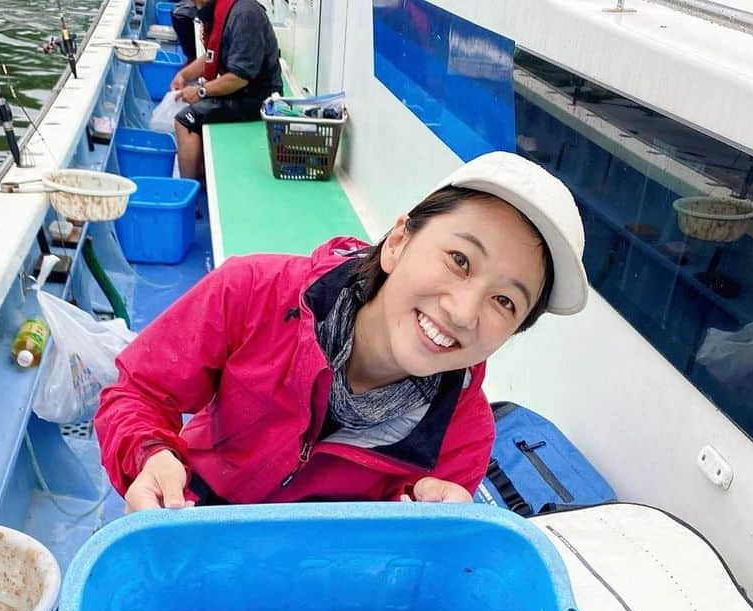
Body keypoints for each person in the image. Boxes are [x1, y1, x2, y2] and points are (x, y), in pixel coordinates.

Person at [95, 151, 590, 511]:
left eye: (504, 301)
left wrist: (421, 531)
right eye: (459, 259)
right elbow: (138, 391)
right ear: (398, 242)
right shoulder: (253, 291)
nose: (463, 312)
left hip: (316, 579)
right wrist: (149, 455)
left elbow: (403, 571)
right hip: (193, 513)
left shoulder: (463, 434)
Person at [170, 0, 283, 180]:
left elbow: (239, 78)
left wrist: (201, 91)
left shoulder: (245, 15)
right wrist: (184, 75)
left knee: (185, 121)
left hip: (258, 99)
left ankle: (190, 191)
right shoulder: (221, 9)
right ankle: (200, 175)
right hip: (242, 90)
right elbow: (212, 55)